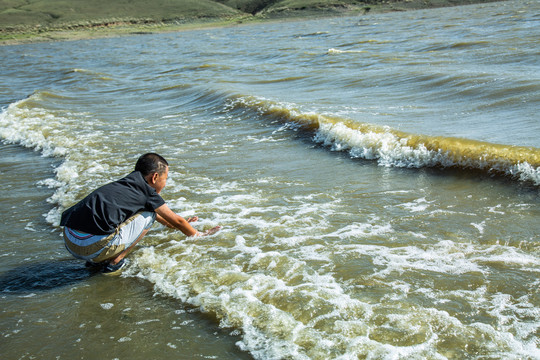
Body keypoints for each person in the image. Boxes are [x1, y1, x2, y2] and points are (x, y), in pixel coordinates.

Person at [60, 153, 220, 273]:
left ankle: (96, 261)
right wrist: (199, 235)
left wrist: (176, 225)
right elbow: (177, 221)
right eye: (166, 178)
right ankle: (115, 261)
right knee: (149, 214)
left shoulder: (125, 184)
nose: (165, 182)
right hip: (89, 247)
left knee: (136, 213)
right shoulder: (147, 192)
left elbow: (173, 222)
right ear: (155, 177)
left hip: (69, 238)